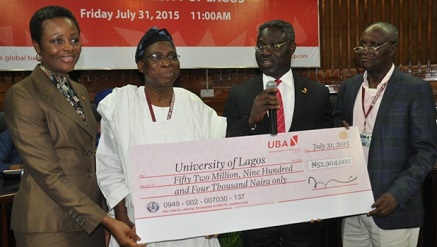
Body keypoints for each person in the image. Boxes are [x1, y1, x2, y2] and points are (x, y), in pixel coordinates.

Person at [4, 6, 144, 247]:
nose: (68, 47)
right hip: (48, 226)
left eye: (74, 39)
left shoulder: (77, 91)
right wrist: (106, 221)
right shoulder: (23, 94)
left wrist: (103, 218)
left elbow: (90, 159)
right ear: (37, 46)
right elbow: (48, 175)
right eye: (57, 41)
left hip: (88, 222)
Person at [96, 26, 226, 247]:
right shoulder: (120, 106)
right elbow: (110, 168)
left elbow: (217, 159)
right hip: (139, 224)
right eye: (156, 57)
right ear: (140, 65)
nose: (166, 63)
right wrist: (123, 217)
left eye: (172, 56)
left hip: (191, 227)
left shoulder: (192, 103)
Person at [223, 19, 332, 247]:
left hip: (305, 211)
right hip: (257, 213)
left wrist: (323, 201)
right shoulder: (240, 94)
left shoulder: (317, 94)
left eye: (274, 45)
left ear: (292, 47)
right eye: (261, 46)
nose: (266, 52)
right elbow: (227, 150)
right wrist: (250, 121)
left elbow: (325, 154)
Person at [332, 22, 437, 247]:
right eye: (362, 45)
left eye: (374, 45)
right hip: (352, 207)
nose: (366, 51)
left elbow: (426, 151)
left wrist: (397, 194)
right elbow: (336, 123)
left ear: (392, 48)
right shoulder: (348, 88)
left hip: (393, 209)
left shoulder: (414, 89)